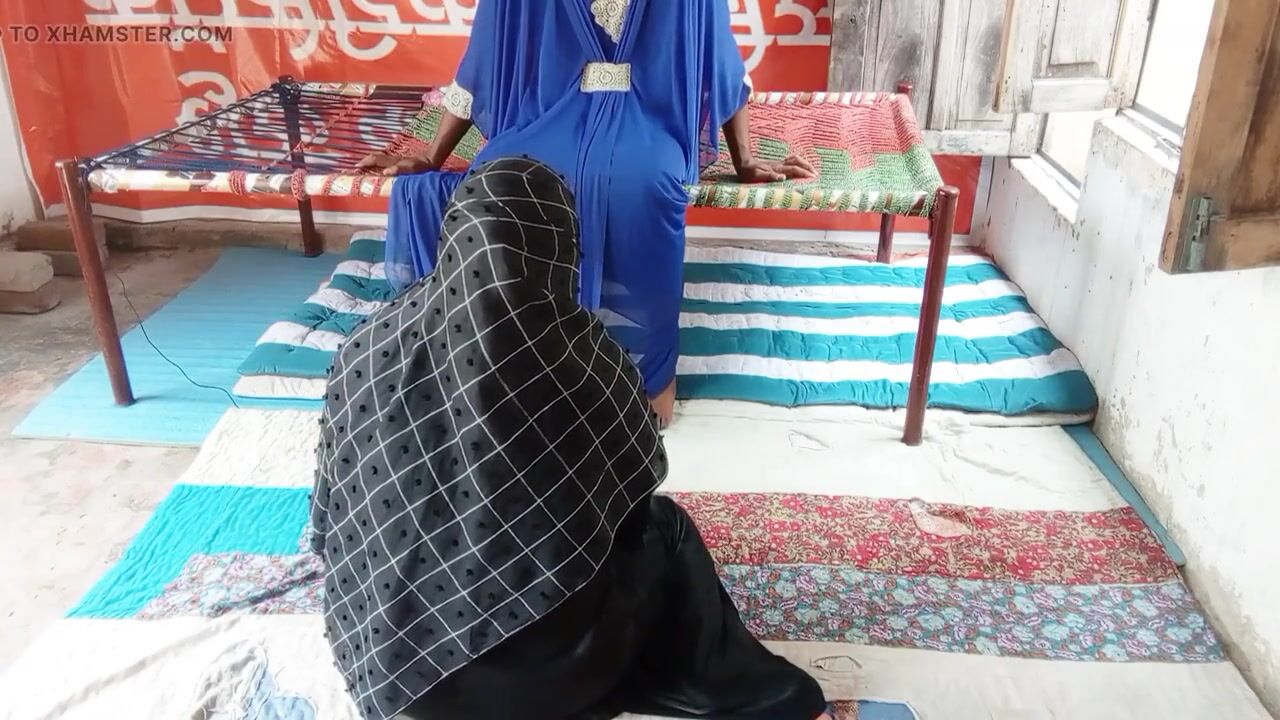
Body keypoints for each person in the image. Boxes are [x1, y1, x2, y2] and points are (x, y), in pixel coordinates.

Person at [310, 158, 831, 720]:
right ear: (560, 248)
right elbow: (631, 509)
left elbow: (329, 521)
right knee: (666, 529)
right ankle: (737, 688)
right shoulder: (584, 360)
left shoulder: (365, 349)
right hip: (553, 681)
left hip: (397, 681)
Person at [360, 0, 816, 427]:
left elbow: (718, 56)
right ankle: (506, 360)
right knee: (502, 182)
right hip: (546, 114)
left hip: (648, 119)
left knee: (645, 187)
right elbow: (482, 57)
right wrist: (432, 156)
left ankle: (649, 382)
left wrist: (744, 159)